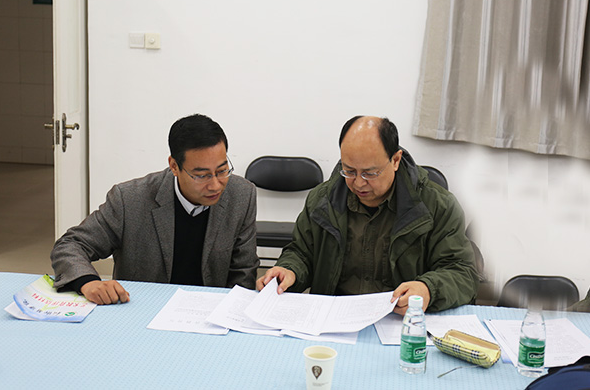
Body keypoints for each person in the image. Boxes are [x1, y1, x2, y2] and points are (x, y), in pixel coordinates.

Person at [257, 116, 479, 314]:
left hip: (399, 319)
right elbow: (302, 252)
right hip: (334, 317)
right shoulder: (323, 200)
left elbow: (462, 272)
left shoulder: (436, 205)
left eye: (370, 173)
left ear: (395, 160)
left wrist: (428, 289)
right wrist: (289, 270)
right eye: (349, 171)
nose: (359, 183)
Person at [52, 114, 258, 305]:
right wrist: (88, 282)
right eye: (202, 175)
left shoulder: (241, 195)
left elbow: (243, 272)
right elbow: (70, 245)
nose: (215, 185)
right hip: (142, 309)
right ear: (174, 166)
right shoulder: (129, 200)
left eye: (222, 170)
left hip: (210, 311)